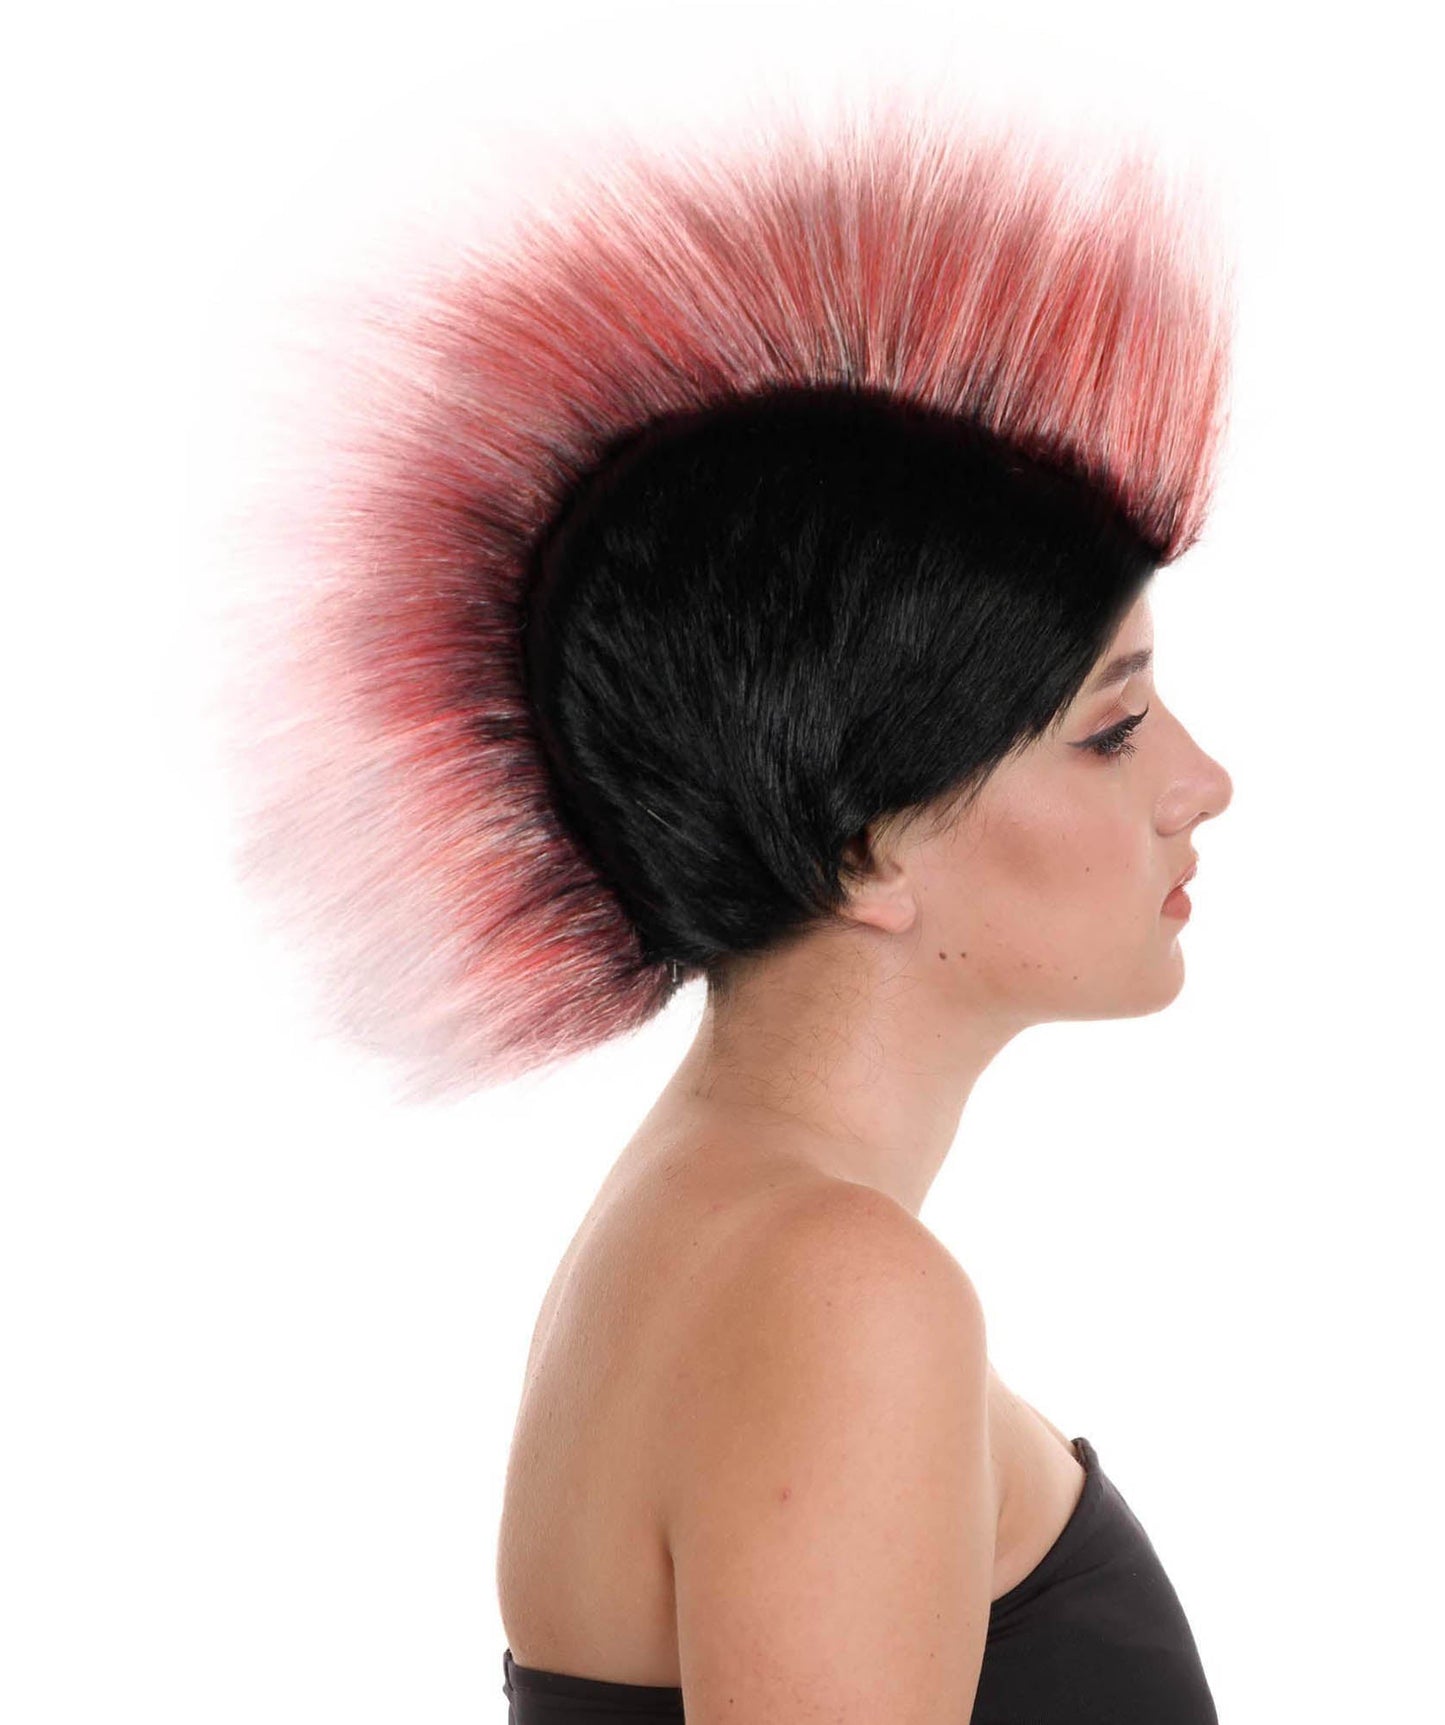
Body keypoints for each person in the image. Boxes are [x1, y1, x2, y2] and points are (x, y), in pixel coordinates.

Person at [222, 88, 1235, 1723]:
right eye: (1110, 728)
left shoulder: (712, 1226)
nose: (1203, 781)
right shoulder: (837, 1287)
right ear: (863, 848)